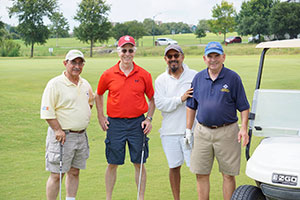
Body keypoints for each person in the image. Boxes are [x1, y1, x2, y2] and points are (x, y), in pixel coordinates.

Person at [186, 41, 250, 200]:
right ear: (204, 58)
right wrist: (188, 130)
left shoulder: (233, 78)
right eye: (210, 56)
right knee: (201, 173)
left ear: (223, 57)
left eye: (216, 56)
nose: (213, 59)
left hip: (227, 132)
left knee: (228, 175)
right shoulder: (198, 78)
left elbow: (243, 106)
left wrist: (243, 129)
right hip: (202, 132)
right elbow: (191, 106)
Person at [95, 35, 155, 200]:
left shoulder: (144, 74)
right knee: (112, 163)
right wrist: (101, 116)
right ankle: (108, 197)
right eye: (124, 50)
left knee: (139, 163)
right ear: (118, 51)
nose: (127, 54)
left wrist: (148, 118)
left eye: (130, 50)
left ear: (134, 51)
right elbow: (98, 95)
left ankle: (140, 197)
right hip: (115, 124)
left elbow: (152, 99)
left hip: (137, 123)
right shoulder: (108, 74)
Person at [40, 50, 94, 200]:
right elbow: (47, 110)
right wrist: (57, 129)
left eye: (80, 63)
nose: (77, 66)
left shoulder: (85, 84)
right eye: (73, 62)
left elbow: (90, 103)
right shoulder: (55, 84)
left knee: (75, 172)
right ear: (65, 63)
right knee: (57, 174)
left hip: (81, 135)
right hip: (62, 136)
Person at [154, 44, 197, 200]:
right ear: (165, 59)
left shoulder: (194, 76)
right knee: (174, 167)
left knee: (198, 168)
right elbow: (161, 104)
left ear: (182, 57)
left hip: (191, 130)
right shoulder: (160, 80)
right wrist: (181, 99)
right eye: (170, 56)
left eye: (176, 56)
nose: (173, 59)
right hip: (169, 131)